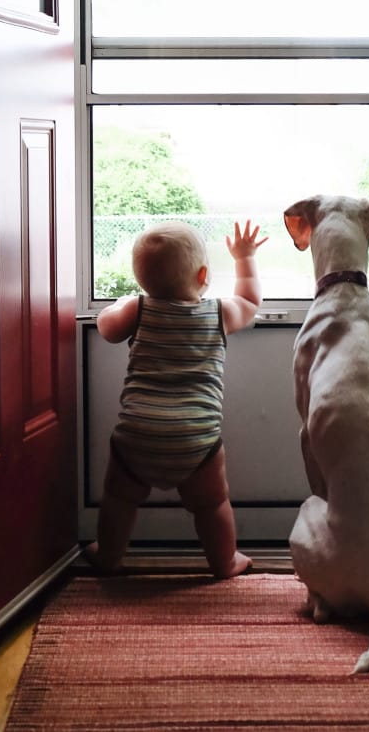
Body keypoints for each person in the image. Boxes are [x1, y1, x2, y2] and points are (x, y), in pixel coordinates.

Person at [85, 218, 268, 578]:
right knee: (212, 504)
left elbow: (106, 329)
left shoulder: (137, 310)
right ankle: (224, 561)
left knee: (119, 500)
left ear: (141, 280)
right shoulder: (217, 312)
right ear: (203, 276)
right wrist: (244, 258)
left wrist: (118, 304)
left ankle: (109, 554)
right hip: (195, 437)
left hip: (137, 434)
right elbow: (249, 300)